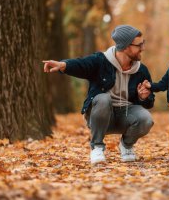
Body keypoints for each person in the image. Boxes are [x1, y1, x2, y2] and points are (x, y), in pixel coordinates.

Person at [43, 25, 155, 164]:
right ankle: (96, 147)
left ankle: (126, 145)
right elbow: (82, 64)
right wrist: (63, 65)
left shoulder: (141, 70)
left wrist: (143, 98)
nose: (142, 48)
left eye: (142, 43)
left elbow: (150, 102)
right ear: (126, 47)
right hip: (100, 116)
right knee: (103, 98)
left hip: (125, 116)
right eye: (139, 45)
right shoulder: (101, 61)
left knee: (146, 120)